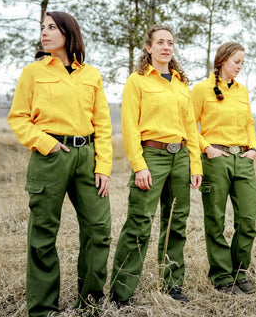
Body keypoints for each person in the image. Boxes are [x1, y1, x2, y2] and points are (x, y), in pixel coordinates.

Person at [7, 11, 113, 317]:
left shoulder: (91, 74)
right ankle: (43, 309)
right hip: (50, 156)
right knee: (43, 233)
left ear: (68, 33)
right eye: (42, 28)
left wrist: (103, 167)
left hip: (88, 157)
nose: (45, 32)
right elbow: (18, 118)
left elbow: (103, 125)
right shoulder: (33, 72)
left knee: (99, 229)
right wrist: (46, 143)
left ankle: (90, 302)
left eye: (52, 27)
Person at [109, 24, 202, 305]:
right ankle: (121, 292)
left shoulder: (181, 83)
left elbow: (191, 127)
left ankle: (172, 284)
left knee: (176, 222)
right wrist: (139, 165)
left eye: (170, 42)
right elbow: (129, 127)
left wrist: (195, 165)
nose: (165, 47)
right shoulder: (137, 81)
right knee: (139, 223)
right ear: (148, 47)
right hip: (152, 156)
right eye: (160, 42)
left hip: (181, 158)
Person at [191, 42, 256, 295]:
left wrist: (253, 148)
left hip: (243, 158)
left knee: (248, 220)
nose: (240, 67)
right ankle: (221, 275)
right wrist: (207, 148)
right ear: (222, 61)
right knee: (215, 220)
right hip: (216, 159)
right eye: (236, 62)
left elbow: (250, 122)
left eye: (242, 62)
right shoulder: (201, 89)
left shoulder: (243, 91)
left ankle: (240, 272)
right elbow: (189, 124)